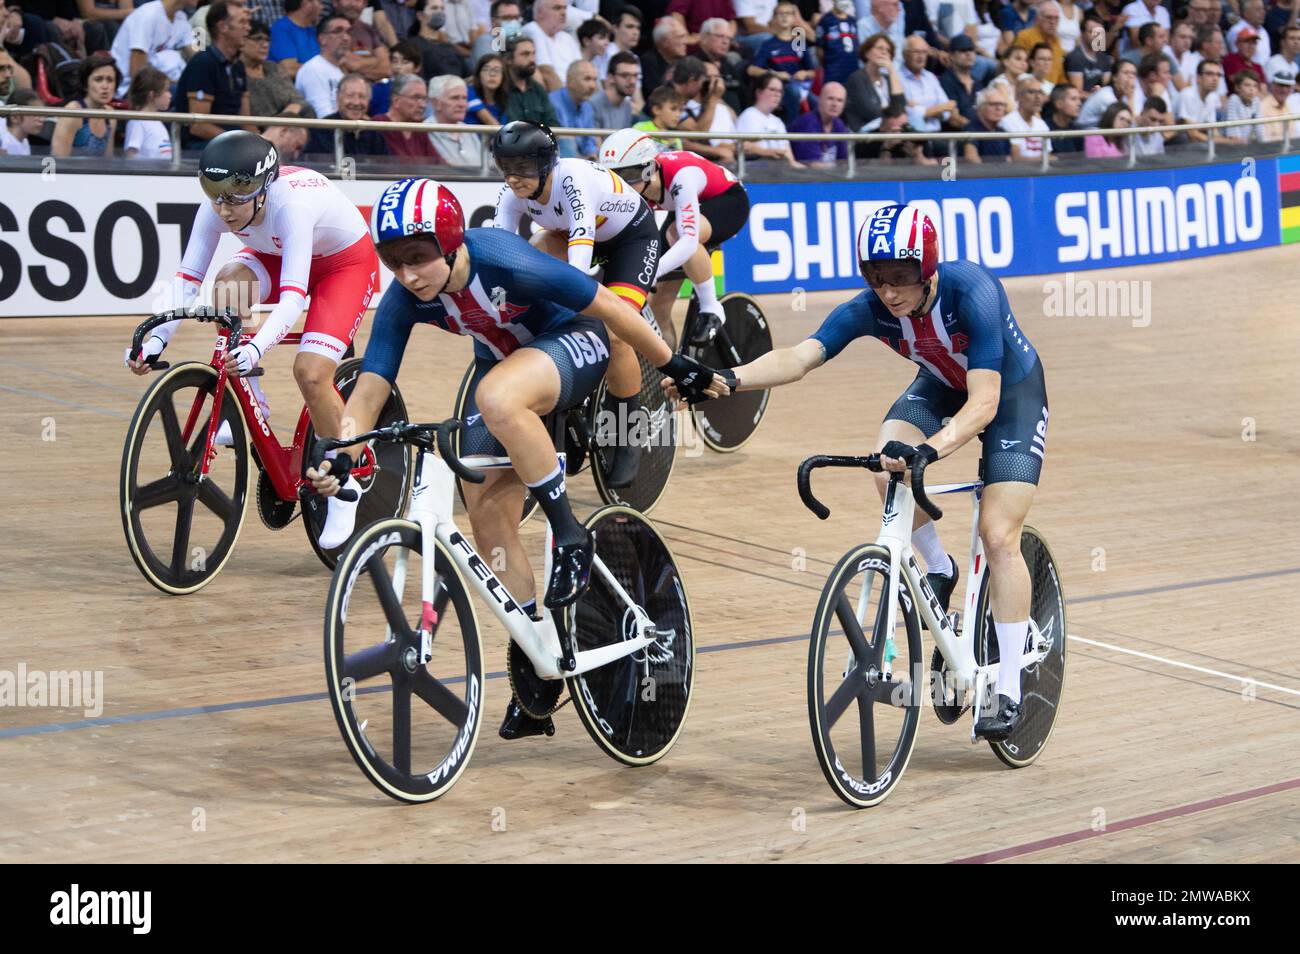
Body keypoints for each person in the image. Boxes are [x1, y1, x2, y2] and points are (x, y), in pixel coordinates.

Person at [306, 176, 720, 737]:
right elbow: (372, 384)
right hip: (507, 368)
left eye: (418, 259)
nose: (406, 275)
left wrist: (673, 366)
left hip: (576, 341)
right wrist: (341, 448)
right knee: (485, 510)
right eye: (394, 262)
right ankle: (540, 651)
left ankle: (569, 530)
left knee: (496, 396)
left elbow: (609, 308)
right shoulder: (405, 298)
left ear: (450, 242)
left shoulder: (501, 258)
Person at [671, 203, 1049, 741]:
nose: (888, 292)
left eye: (900, 278)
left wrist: (936, 449)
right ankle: (938, 569)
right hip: (940, 383)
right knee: (887, 462)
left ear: (929, 269)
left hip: (1010, 394)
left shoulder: (974, 292)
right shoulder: (869, 307)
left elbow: (985, 401)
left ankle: (1007, 685)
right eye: (875, 278)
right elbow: (800, 359)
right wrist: (726, 378)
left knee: (998, 534)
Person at [126, 131, 379, 550]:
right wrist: (154, 340)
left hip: (343, 265)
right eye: (215, 197)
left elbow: (295, 296)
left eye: (234, 199)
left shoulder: (290, 206)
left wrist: (257, 346)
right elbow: (188, 279)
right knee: (227, 285)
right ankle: (253, 399)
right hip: (276, 258)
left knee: (311, 373)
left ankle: (345, 483)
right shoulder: (218, 208)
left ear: (262, 191)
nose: (224, 210)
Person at [490, 121, 664, 488]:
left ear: (545, 165)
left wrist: (572, 305)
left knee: (616, 332)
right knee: (532, 251)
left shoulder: (573, 180)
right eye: (506, 168)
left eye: (522, 169)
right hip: (570, 234)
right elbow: (500, 252)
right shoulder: (511, 193)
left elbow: (580, 254)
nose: (513, 179)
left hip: (630, 240)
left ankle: (628, 436)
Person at [598, 129, 750, 351]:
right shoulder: (637, 184)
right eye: (614, 176)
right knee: (658, 304)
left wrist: (651, 272)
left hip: (726, 200)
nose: (622, 184)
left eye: (628, 175)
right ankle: (667, 368)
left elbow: (688, 242)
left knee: (677, 235)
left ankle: (711, 307)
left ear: (649, 168)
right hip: (683, 207)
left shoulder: (682, 176)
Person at [174, 2, 251, 149]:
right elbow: (198, 126)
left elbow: (246, 120)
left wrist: (258, 141)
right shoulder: (203, 63)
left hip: (231, 143)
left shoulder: (238, 66)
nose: (248, 28)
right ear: (223, 27)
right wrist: (240, 143)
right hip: (201, 147)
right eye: (242, 22)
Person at [750, 0, 818, 122]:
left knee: (818, 103)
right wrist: (774, 74)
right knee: (793, 93)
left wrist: (805, 73)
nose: (784, 17)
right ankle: (792, 132)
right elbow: (752, 70)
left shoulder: (799, 41)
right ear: (774, 18)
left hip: (801, 87)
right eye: (780, 14)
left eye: (788, 13)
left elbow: (813, 71)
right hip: (780, 88)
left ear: (794, 18)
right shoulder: (768, 44)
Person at [109, 0, 194, 96]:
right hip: (130, 89)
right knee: (185, 92)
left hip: (161, 85)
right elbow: (137, 74)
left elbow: (198, 54)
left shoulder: (181, 17)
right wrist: (174, 83)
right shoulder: (147, 15)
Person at [50, 52, 119, 157]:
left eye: (110, 80)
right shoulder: (73, 112)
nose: (105, 86)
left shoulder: (111, 115)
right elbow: (59, 160)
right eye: (98, 79)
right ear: (85, 84)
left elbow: (107, 161)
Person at [305, 72, 389, 154]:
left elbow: (386, 165)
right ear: (338, 97)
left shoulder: (374, 133)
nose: (356, 102)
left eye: (362, 96)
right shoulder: (321, 130)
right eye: (350, 95)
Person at [245, 17, 308, 118]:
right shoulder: (237, 73)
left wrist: (283, 118)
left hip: (285, 122)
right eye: (258, 39)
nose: (265, 45)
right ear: (242, 40)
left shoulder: (273, 68)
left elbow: (298, 100)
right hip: (257, 129)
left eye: (267, 40)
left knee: (307, 110)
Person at [844, 33, 906, 135]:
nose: (884, 52)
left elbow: (901, 108)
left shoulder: (889, 78)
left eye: (888, 51)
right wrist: (892, 112)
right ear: (867, 53)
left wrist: (891, 71)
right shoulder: (856, 79)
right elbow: (872, 113)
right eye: (880, 48)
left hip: (892, 130)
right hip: (866, 134)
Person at [737, 72, 805, 166]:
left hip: (780, 170)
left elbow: (789, 156)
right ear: (759, 92)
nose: (777, 95)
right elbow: (745, 148)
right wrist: (771, 153)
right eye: (772, 90)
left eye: (780, 91)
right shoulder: (749, 116)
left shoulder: (778, 121)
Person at [374, 72, 443, 157]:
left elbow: (437, 164)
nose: (423, 105)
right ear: (396, 101)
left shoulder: (420, 129)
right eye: (416, 98)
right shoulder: (377, 126)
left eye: (424, 99)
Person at [295, 15, 350, 117]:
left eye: (348, 32)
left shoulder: (341, 72)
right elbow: (323, 116)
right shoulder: (313, 69)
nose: (346, 38)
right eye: (338, 31)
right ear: (322, 39)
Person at [503, 34, 560, 125]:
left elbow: (553, 123)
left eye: (533, 54)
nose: (532, 59)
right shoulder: (500, 88)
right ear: (509, 60)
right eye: (525, 54)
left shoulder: (538, 89)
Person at [523, 0, 579, 92]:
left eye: (565, 8)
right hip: (558, 95)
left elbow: (581, 68)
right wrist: (564, 101)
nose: (563, 13)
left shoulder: (566, 37)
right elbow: (546, 72)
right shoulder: (532, 30)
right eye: (557, 8)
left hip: (575, 92)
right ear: (540, 13)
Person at [427, 73, 483, 165]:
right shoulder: (424, 131)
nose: (462, 104)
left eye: (464, 98)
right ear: (436, 103)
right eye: (455, 98)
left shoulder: (469, 130)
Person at [789, 81, 849, 165]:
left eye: (839, 100)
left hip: (830, 175)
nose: (834, 104)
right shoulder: (807, 123)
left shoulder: (839, 125)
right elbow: (814, 165)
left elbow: (843, 162)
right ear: (820, 99)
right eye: (830, 98)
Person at [549, 59, 598, 159]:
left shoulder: (588, 107)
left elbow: (589, 145)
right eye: (587, 79)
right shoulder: (552, 103)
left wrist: (592, 156)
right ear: (569, 81)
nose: (593, 86)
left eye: (594, 80)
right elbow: (563, 146)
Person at [334, 0, 391, 82]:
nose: (352, 4)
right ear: (335, 2)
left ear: (365, 4)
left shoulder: (368, 29)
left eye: (358, 0)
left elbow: (386, 69)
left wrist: (358, 64)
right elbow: (343, 64)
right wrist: (375, 61)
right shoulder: (329, 30)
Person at [124, 66, 173, 158]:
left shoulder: (158, 122)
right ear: (152, 95)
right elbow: (130, 156)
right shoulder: (137, 122)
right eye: (166, 90)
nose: (170, 95)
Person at [410, 0, 465, 79]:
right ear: (420, 15)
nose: (440, 12)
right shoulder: (413, 46)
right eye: (434, 8)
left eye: (442, 9)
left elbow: (467, 76)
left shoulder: (450, 48)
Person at [269, 0, 321, 81]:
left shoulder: (313, 31)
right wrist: (324, 70)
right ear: (305, 4)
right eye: (319, 2)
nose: (322, 7)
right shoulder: (281, 29)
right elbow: (289, 69)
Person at [1078, 58, 1138, 127]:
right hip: (1082, 134)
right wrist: (1130, 97)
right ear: (1114, 77)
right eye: (1126, 73)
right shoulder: (1106, 96)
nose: (1130, 76)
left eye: (1133, 74)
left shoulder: (1124, 95)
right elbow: (1129, 124)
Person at [1001, 74, 1050, 159]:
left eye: (1040, 93)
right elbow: (1016, 159)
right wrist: (1043, 159)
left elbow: (1048, 156)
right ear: (1018, 96)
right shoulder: (1008, 122)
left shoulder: (1042, 124)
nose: (1038, 97)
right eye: (1031, 92)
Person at [590, 49, 640, 129]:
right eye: (625, 75)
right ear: (610, 78)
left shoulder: (627, 106)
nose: (632, 81)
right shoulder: (593, 105)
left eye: (635, 75)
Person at [1176, 59, 1222, 142]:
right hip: (1175, 145)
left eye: (1218, 75)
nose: (1215, 78)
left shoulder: (1212, 97)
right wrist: (1228, 141)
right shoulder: (1187, 94)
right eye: (1209, 74)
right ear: (1198, 78)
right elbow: (1193, 135)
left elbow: (1213, 130)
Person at [1065, 14, 1113, 94]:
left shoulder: (1105, 59)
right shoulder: (1075, 58)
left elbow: (1107, 88)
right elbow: (1077, 93)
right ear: (1082, 33)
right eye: (1091, 32)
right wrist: (1096, 95)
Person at [819, 0, 862, 87]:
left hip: (853, 71)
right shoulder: (825, 21)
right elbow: (819, 50)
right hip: (833, 72)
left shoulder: (853, 21)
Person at [963, 86, 1013, 161]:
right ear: (980, 108)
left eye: (1002, 105)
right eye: (993, 104)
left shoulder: (1003, 132)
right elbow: (971, 158)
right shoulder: (971, 130)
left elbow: (1009, 159)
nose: (999, 108)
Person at [469, 0, 523, 67]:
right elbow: (491, 73)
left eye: (516, 18)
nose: (513, 22)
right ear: (493, 21)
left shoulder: (519, 40)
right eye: (506, 18)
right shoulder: (485, 41)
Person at [634, 85, 686, 151]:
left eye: (680, 110)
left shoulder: (675, 138)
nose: (678, 114)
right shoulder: (640, 128)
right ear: (657, 110)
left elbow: (677, 159)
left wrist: (672, 146)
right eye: (673, 109)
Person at [1257, 67, 1300, 142]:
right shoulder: (1262, 107)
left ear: (1291, 88)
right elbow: (1264, 140)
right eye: (1280, 85)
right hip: (1269, 151)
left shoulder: (1289, 105)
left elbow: (1294, 133)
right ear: (1272, 85)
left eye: (1287, 86)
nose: (1284, 90)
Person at [467, 53, 508, 124]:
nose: (492, 74)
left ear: (503, 77)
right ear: (479, 75)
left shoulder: (503, 101)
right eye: (486, 69)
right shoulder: (468, 92)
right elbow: (489, 121)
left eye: (497, 70)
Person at [1, 87, 43, 155]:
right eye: (35, 114)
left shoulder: (25, 141)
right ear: (14, 117)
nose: (41, 119)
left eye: (41, 114)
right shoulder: (3, 144)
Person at [1223, 69, 1261, 143]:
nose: (1251, 89)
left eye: (1255, 86)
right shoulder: (1234, 99)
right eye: (1247, 85)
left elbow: (1260, 129)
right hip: (1230, 148)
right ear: (1237, 87)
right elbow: (1233, 135)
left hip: (1248, 146)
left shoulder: (1256, 100)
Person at [1043, 82, 1082, 152]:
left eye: (1079, 99)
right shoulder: (1043, 128)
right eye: (1073, 99)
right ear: (1058, 104)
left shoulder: (1077, 130)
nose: (1079, 103)